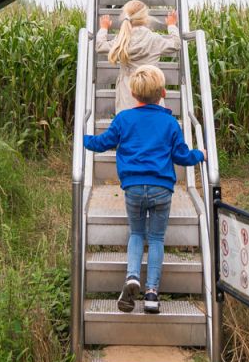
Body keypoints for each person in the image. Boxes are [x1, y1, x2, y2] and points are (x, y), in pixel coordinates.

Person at [83, 64, 205, 314]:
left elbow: (102, 143)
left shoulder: (124, 119)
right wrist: (199, 154)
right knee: (157, 238)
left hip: (134, 188)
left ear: (133, 93)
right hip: (162, 189)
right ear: (162, 93)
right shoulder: (169, 122)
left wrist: (81, 139)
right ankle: (151, 294)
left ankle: (132, 277)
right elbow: (181, 156)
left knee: (137, 233)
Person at [96, 1, 180, 113]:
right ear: (145, 18)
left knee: (129, 122)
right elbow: (176, 44)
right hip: (151, 86)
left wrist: (103, 28)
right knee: (152, 120)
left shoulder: (122, 40)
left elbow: (100, 46)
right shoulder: (154, 39)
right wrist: (172, 26)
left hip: (128, 89)